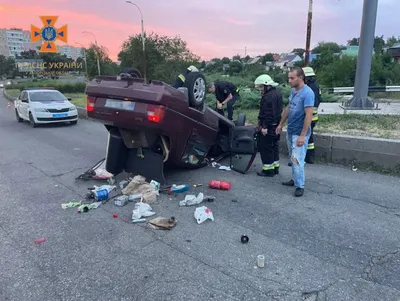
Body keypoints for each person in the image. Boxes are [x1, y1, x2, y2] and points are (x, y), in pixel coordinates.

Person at [276, 67, 314, 197]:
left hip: (299, 133)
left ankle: (300, 186)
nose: (289, 80)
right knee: (292, 159)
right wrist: (281, 124)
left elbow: (309, 115)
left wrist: (303, 135)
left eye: (292, 78)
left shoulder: (308, 93)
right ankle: (295, 179)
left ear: (301, 78)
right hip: (291, 131)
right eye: (289, 78)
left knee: (297, 160)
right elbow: (289, 108)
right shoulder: (293, 91)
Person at [254, 74, 283, 177]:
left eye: (261, 87)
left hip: (269, 127)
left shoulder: (268, 97)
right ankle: (275, 168)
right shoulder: (277, 93)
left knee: (266, 148)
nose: (260, 89)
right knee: (274, 146)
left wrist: (264, 127)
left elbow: (268, 113)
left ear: (267, 85)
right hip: (276, 126)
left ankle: (268, 170)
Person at [303, 66, 321, 164]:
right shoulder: (315, 86)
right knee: (309, 137)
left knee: (305, 136)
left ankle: (305, 156)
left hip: (308, 117)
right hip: (313, 117)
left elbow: (311, 105)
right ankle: (310, 156)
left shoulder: (309, 88)